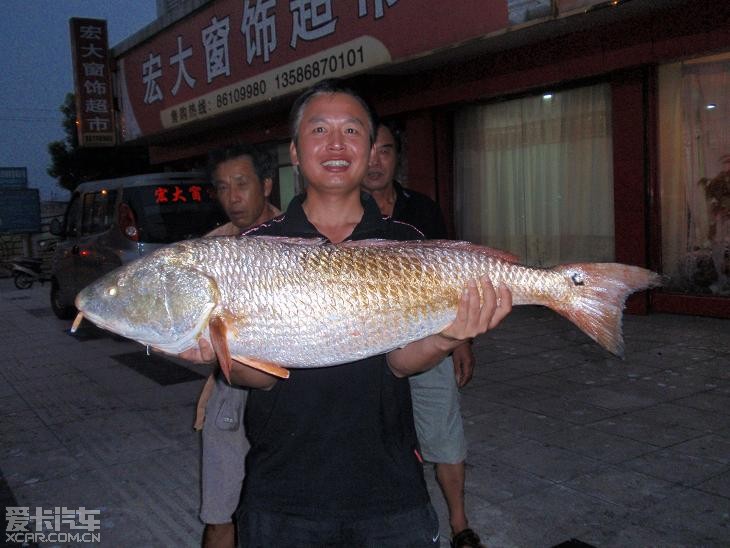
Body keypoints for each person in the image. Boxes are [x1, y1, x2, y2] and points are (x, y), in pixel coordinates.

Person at [183, 79, 512, 547]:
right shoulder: (251, 251)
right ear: (295, 152)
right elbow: (263, 377)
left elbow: (400, 363)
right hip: (282, 492)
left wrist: (448, 337)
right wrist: (219, 355)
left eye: (352, 131)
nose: (336, 144)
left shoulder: (406, 244)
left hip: (390, 490)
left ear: (372, 149)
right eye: (319, 130)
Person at [363, 121, 485, 548]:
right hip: (363, 346)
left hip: (428, 338)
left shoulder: (423, 209)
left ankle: (459, 524)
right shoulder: (344, 216)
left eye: (386, 151)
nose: (376, 161)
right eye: (369, 150)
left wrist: (462, 341)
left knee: (444, 430)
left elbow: (455, 276)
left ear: (399, 157)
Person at [194, 143, 280, 548]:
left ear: (266, 184)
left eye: (241, 184)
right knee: (220, 509)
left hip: (292, 385)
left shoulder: (302, 237)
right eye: (223, 187)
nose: (232, 197)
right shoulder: (211, 250)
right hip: (232, 388)